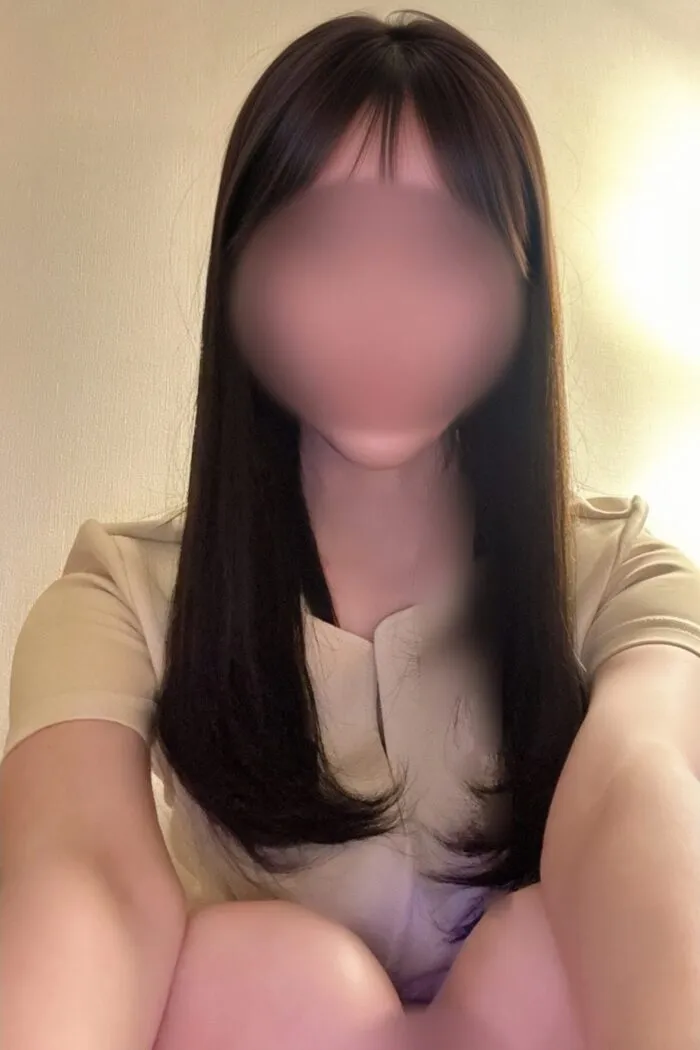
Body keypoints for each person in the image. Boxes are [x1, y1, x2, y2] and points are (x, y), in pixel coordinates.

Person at [2, 10, 700, 1050]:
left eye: (444, 250)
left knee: (549, 950)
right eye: (321, 244)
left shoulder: (622, 574)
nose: (383, 312)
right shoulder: (119, 592)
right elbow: (84, 876)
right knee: (264, 975)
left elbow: (634, 798)